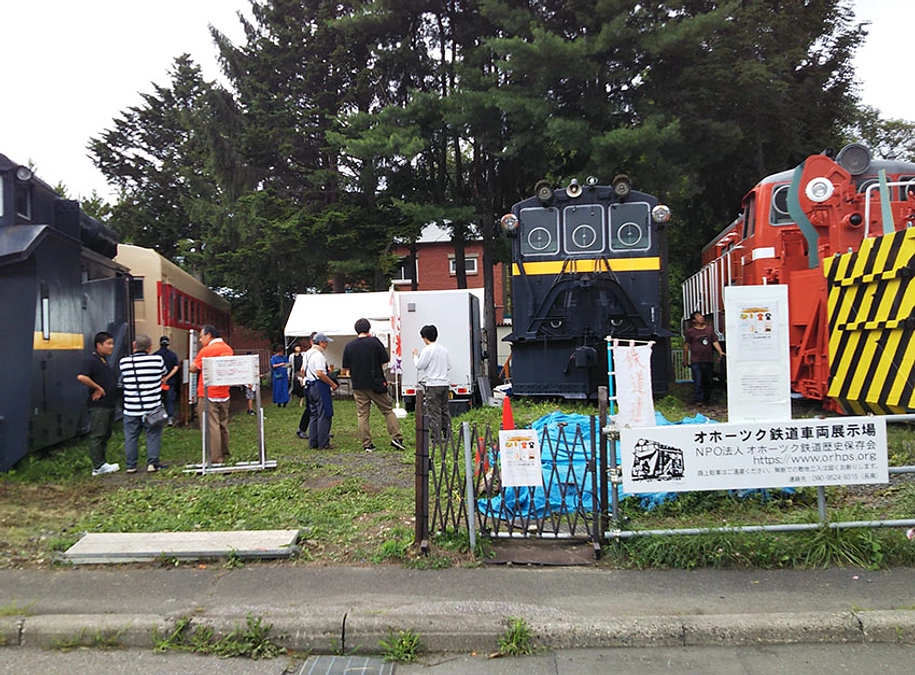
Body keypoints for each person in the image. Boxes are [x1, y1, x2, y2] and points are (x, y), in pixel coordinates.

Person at [342, 318, 406, 452]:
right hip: (375, 382)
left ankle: (367, 444)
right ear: (368, 329)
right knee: (387, 410)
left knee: (363, 414)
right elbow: (385, 359)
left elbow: (346, 367)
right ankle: (396, 437)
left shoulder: (349, 346)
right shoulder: (374, 342)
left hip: (358, 384)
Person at [119, 334, 167, 473]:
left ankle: (131, 466)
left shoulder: (124, 362)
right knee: (153, 434)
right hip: (153, 407)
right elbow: (163, 374)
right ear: (150, 347)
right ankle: (152, 464)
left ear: (134, 346)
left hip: (131, 407)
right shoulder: (157, 360)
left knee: (131, 437)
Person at [76, 331, 120, 476]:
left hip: (108, 403)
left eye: (112, 343)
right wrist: (97, 388)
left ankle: (102, 462)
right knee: (98, 434)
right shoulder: (91, 360)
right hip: (99, 405)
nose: (111, 347)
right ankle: (98, 465)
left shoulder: (103, 360)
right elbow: (81, 377)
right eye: (108, 344)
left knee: (105, 433)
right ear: (98, 345)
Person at [189, 324, 234, 464]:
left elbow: (193, 368)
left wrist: (192, 364)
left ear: (209, 335)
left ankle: (215, 458)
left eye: (202, 337)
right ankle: (225, 452)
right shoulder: (228, 349)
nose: (201, 340)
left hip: (208, 393)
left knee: (211, 426)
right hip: (224, 392)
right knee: (222, 424)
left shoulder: (206, 351)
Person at [412, 324, 452, 441]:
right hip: (445, 383)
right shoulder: (444, 350)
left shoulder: (427, 350)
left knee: (434, 411)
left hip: (433, 384)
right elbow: (449, 366)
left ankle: (436, 437)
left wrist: (415, 356)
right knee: (444, 410)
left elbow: (419, 365)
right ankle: (447, 434)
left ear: (425, 337)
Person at [682, 310, 725, 405]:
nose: (701, 317)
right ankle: (699, 400)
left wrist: (720, 351)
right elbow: (686, 345)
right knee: (698, 380)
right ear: (694, 320)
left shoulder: (709, 330)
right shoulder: (690, 332)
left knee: (708, 381)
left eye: (701, 315)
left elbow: (714, 341)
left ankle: (707, 398)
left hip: (708, 359)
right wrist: (684, 359)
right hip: (696, 360)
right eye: (698, 316)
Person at [304, 332, 338, 449]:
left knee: (313, 415)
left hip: (309, 385)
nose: (327, 344)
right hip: (319, 386)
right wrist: (332, 384)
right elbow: (320, 373)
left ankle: (313, 442)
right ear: (321, 342)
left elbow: (303, 370)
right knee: (324, 414)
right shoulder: (319, 355)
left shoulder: (307, 353)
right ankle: (323, 443)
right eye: (326, 342)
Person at [154, 336, 180, 425]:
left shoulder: (155, 355)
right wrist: (167, 377)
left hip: (158, 382)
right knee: (170, 400)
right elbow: (176, 367)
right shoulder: (173, 355)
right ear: (168, 343)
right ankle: (170, 418)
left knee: (158, 399)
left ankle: (158, 417)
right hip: (170, 382)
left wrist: (161, 378)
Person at [295, 334, 314, 439]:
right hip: (310, 383)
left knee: (319, 409)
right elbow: (302, 369)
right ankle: (301, 429)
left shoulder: (316, 353)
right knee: (309, 408)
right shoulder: (308, 354)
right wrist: (303, 379)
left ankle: (320, 429)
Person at [289, 342, 307, 407]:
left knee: (302, 386)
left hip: (302, 373)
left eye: (299, 347)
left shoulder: (303, 354)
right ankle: (291, 397)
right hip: (295, 373)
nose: (298, 348)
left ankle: (301, 401)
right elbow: (290, 366)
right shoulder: (291, 356)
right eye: (297, 347)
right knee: (295, 386)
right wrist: (288, 374)